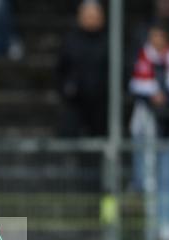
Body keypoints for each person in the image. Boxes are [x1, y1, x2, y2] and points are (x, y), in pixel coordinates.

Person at [130, 21, 169, 240]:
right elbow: (136, 87)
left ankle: (168, 224)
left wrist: (167, 99)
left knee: (168, 176)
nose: (156, 40)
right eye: (153, 36)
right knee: (145, 178)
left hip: (167, 129)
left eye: (160, 36)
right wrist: (151, 98)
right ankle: (146, 228)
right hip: (145, 128)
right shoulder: (141, 59)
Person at [56, 0, 108, 137]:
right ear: (80, 17)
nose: (91, 20)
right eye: (88, 16)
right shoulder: (70, 41)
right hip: (75, 102)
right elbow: (60, 70)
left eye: (95, 17)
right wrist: (66, 88)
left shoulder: (109, 41)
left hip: (101, 103)